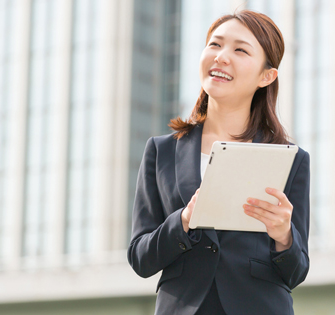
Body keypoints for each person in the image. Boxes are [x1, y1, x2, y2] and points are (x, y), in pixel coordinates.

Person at [127, 10, 310, 315]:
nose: (222, 56)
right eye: (215, 44)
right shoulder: (161, 152)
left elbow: (296, 271)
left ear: (267, 76)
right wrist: (183, 220)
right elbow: (140, 257)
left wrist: (284, 237)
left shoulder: (290, 159)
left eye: (240, 50)